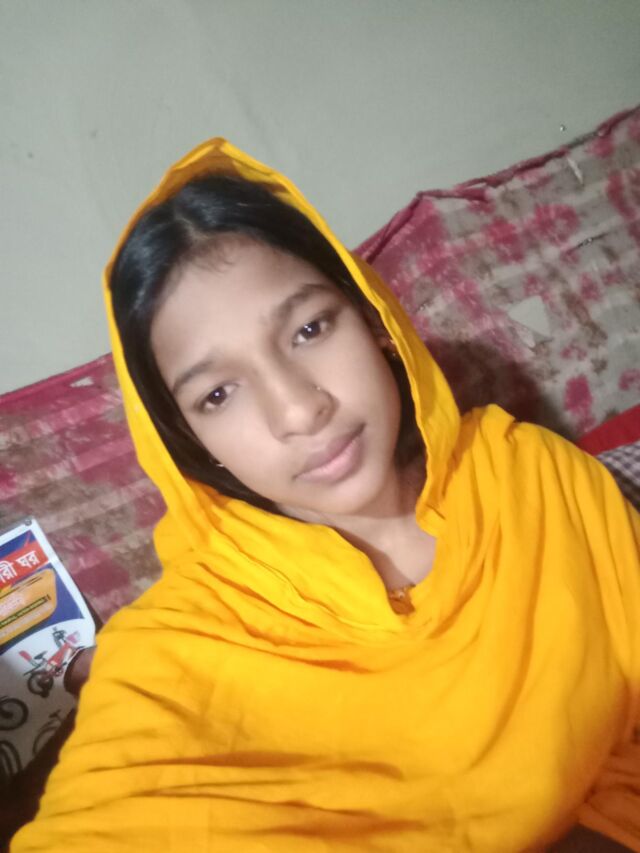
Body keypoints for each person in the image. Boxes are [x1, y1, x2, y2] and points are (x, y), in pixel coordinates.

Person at [11, 139, 640, 852]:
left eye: (309, 329)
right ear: (189, 441)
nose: (299, 409)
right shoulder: (173, 655)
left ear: (373, 320)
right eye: (218, 393)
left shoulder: (531, 479)